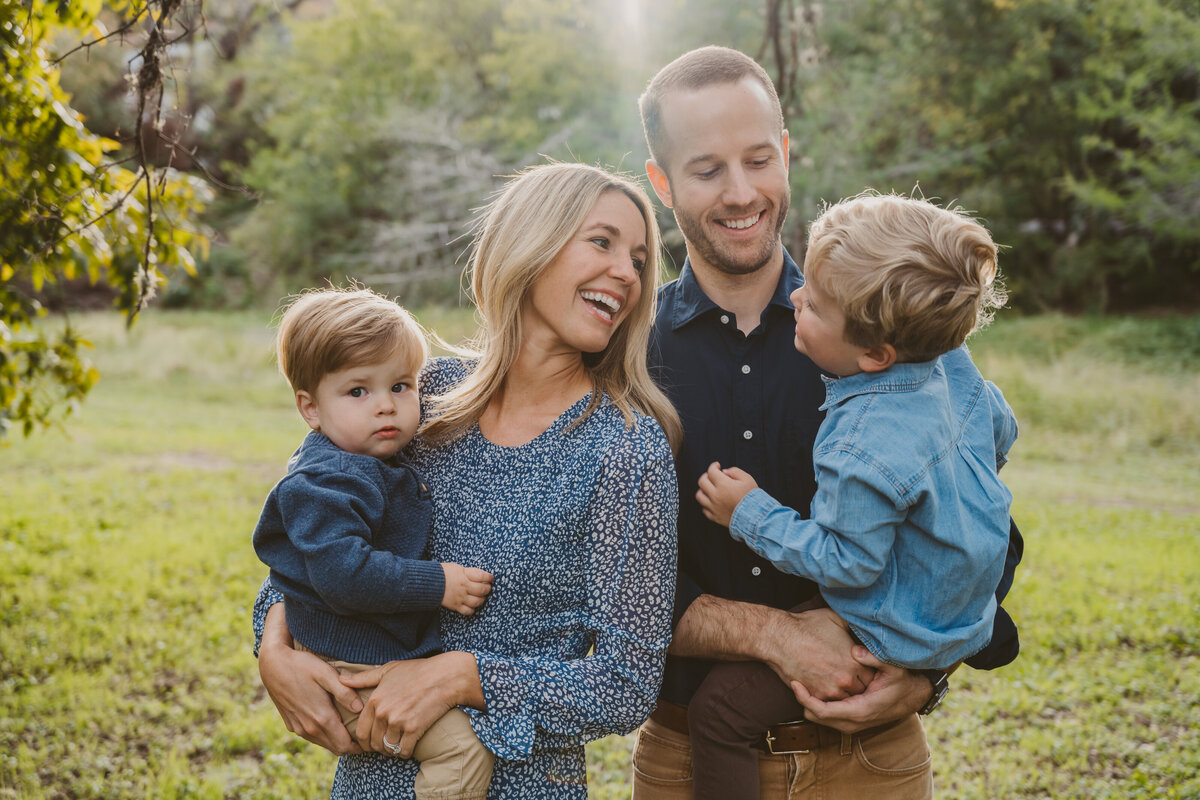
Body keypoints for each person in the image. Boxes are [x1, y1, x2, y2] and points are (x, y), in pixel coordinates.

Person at [632, 45, 1024, 799]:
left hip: (875, 761)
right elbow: (606, 581)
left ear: (784, 153)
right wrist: (778, 637)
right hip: (690, 761)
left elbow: (983, 531)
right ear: (662, 182)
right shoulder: (626, 359)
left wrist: (925, 673)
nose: (741, 192)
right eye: (708, 169)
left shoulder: (888, 327)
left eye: (757, 159)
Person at [252, 161, 684, 799]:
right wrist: (272, 648)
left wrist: (464, 676)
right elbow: (311, 540)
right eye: (602, 242)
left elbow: (625, 684)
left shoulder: (625, 448)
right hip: (375, 774)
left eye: (640, 259)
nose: (627, 271)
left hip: (522, 783)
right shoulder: (416, 400)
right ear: (530, 245)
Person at [689, 192, 1018, 800]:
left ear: (873, 355)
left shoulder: (860, 441)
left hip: (893, 631)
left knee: (719, 712)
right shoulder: (951, 364)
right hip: (955, 610)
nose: (795, 301)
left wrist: (750, 513)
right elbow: (1001, 431)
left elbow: (849, 562)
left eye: (811, 305)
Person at [252, 286, 497, 800]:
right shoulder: (328, 479)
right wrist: (439, 585)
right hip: (349, 670)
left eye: (402, 386)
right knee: (461, 749)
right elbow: (343, 574)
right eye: (358, 391)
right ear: (310, 409)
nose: (386, 406)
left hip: (360, 659)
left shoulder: (364, 462)